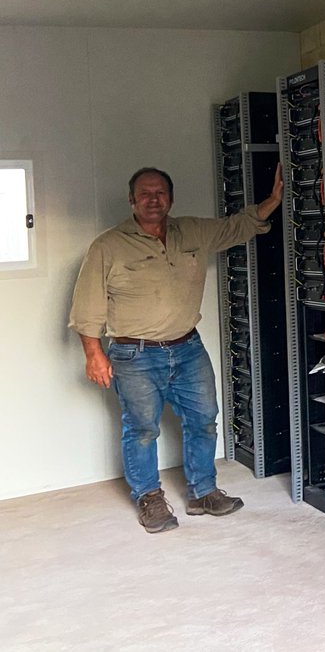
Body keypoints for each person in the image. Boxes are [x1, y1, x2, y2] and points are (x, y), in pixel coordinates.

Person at [69, 165, 283, 533]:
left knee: (203, 420)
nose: (153, 199)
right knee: (142, 430)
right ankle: (149, 498)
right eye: (145, 193)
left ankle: (204, 492)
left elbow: (237, 226)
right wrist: (93, 353)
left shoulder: (192, 231)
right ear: (132, 200)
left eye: (160, 193)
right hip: (133, 355)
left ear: (170, 197)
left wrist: (273, 201)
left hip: (187, 348)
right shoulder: (108, 245)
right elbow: (87, 306)